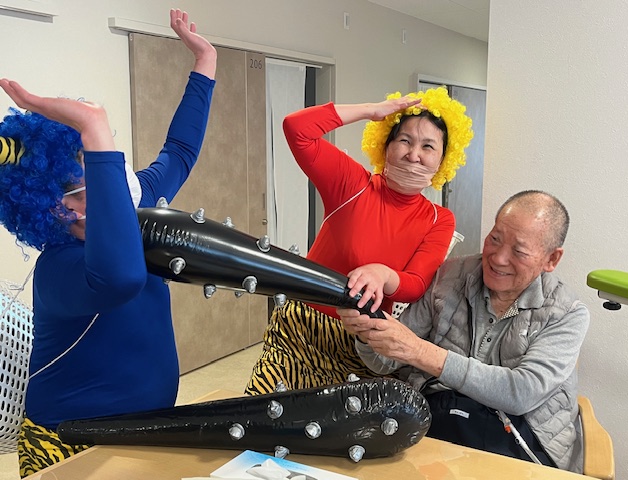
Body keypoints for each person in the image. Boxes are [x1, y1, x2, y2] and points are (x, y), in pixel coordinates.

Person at [0, 9, 217, 477]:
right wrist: (94, 125)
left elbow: (179, 151)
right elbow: (121, 278)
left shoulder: (128, 206)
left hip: (147, 431)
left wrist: (205, 61)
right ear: (41, 207)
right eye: (72, 195)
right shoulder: (57, 268)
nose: (91, 204)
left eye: (98, 183)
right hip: (69, 444)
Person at [338, 190, 589, 473]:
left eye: (518, 251)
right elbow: (384, 361)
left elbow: (520, 394)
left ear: (551, 259)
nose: (498, 258)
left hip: (518, 439)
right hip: (436, 421)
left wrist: (420, 351)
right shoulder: (450, 275)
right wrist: (367, 330)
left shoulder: (567, 313)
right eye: (495, 238)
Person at [246, 88, 473, 395]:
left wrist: (383, 274)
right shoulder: (352, 183)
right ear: (386, 146)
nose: (413, 154)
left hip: (365, 346)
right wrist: (371, 110)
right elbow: (296, 129)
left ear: (443, 160)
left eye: (428, 146)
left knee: (337, 427)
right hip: (300, 333)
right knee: (267, 416)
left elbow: (416, 283)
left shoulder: (439, 218)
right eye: (404, 140)